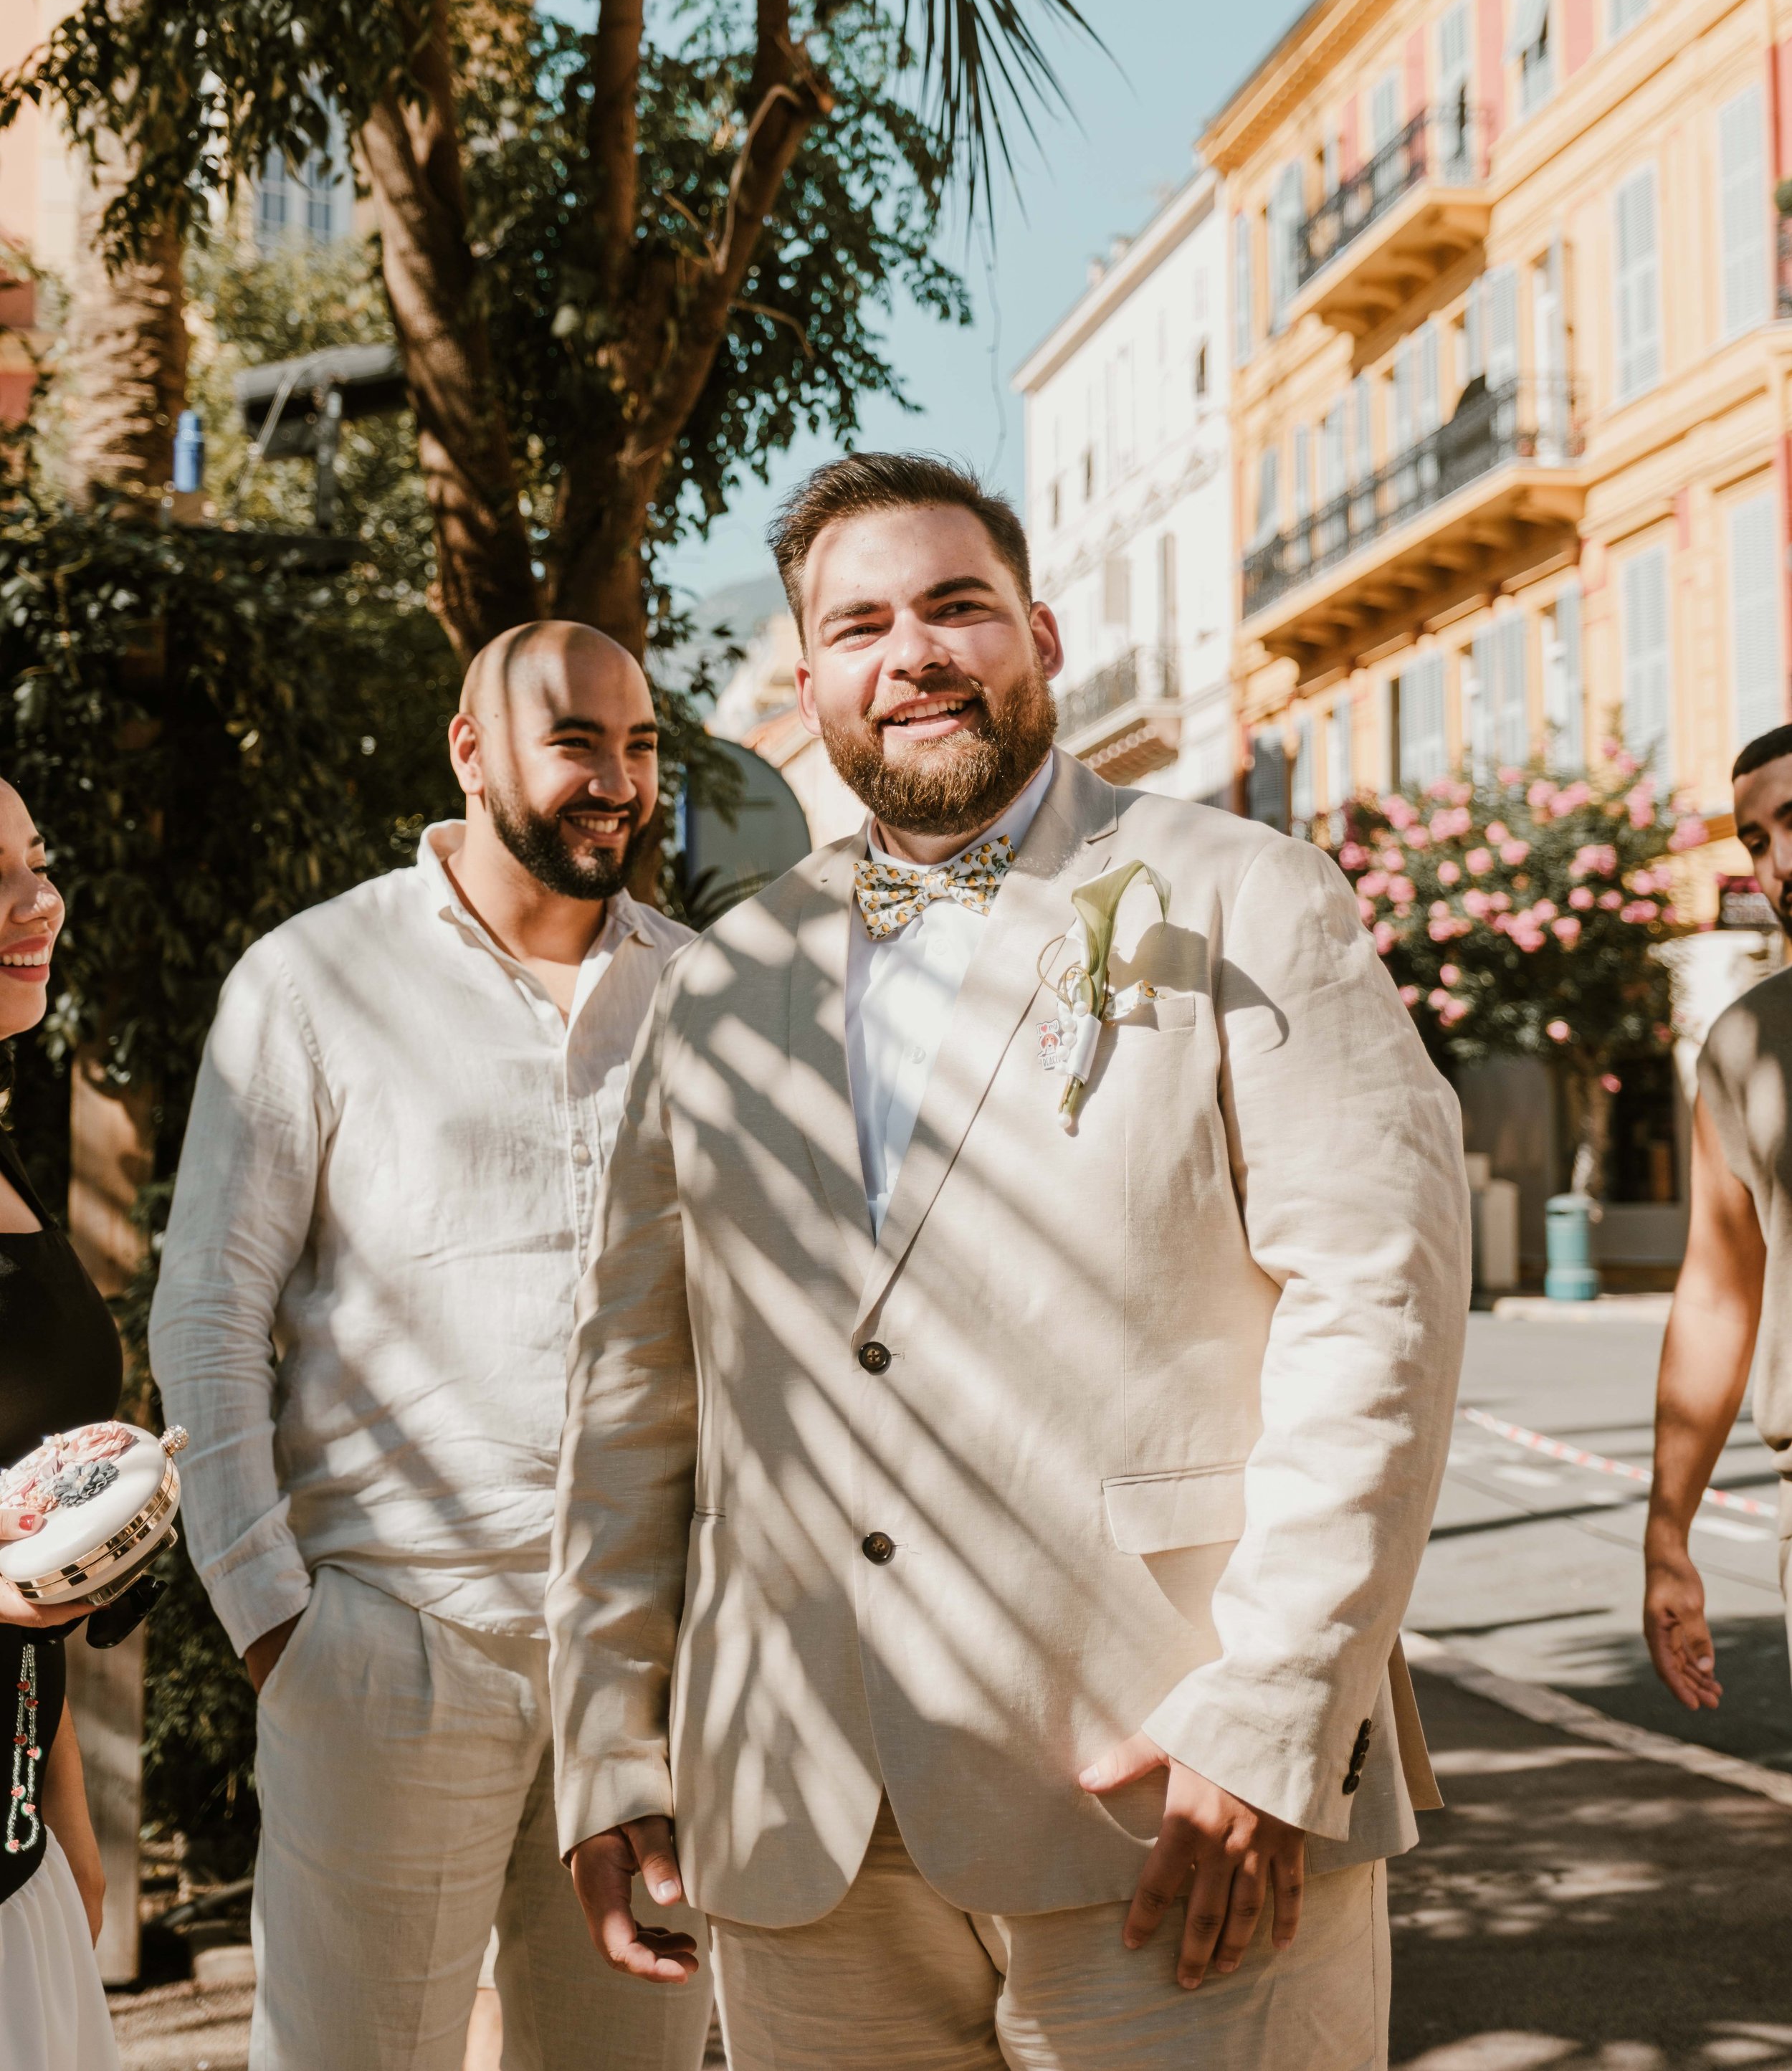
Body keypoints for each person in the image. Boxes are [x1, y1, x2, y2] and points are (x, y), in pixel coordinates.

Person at [547, 454, 1470, 2071]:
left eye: (955, 606)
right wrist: (610, 1742)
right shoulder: (717, 985)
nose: (911, 653)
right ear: (810, 680)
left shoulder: (1245, 894)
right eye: (859, 627)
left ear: (1036, 634)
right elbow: (638, 1390)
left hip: (1162, 1786)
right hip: (798, 1814)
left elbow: (1376, 1314)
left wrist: (1269, 1713)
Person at [149, 624, 714, 2071]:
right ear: (468, 751)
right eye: (575, 741)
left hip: (655, 1664)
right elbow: (209, 1305)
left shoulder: (714, 999)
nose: (616, 781)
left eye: (640, 746)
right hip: (390, 1649)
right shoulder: (314, 981)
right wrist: (274, 1621)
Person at [0, 778, 123, 2071]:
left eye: (37, 857)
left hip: (17, 1855)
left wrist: (68, 1822)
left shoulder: (4, 1148)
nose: (41, 900)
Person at [1645, 720, 1792, 1718]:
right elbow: (1715, 1290)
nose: (1779, 863)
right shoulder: (1744, 1042)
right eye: (1755, 840)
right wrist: (1666, 1535)